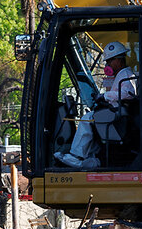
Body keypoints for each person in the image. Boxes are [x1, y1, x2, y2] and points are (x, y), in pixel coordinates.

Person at [54, 41, 137, 169]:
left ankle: (76, 156)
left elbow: (129, 93)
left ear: (119, 60)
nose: (107, 64)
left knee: (87, 119)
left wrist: (104, 96)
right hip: (115, 111)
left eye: (110, 61)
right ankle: (92, 158)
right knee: (95, 124)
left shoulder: (126, 75)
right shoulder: (121, 75)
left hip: (116, 114)